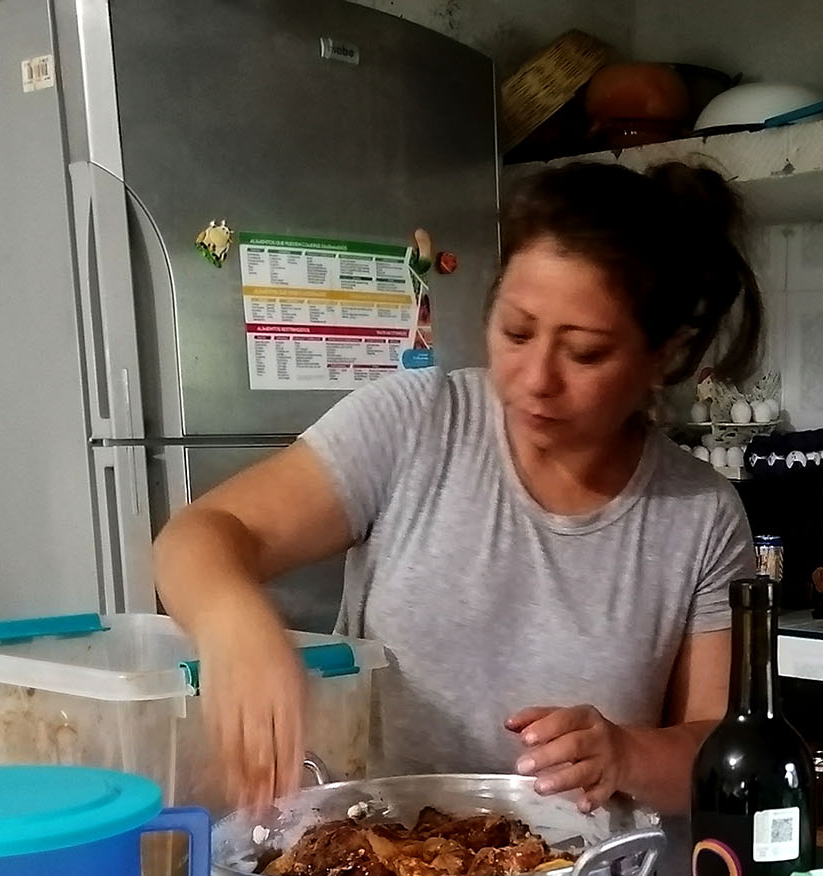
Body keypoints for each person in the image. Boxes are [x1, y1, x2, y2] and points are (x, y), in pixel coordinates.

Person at [154, 162, 761, 820]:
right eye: (517, 332)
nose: (536, 378)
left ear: (663, 357)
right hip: (383, 872)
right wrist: (232, 622)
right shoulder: (419, 423)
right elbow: (200, 536)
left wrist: (626, 755)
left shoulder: (698, 516)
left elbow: (722, 753)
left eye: (584, 352)